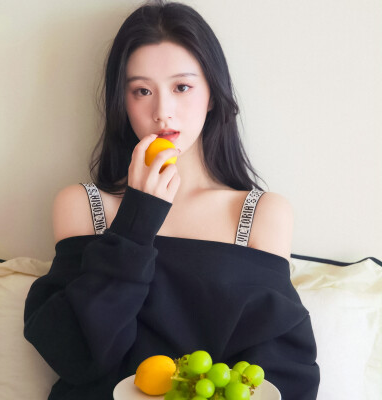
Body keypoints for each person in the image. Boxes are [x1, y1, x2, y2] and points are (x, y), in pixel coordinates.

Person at [23, 1, 320, 399]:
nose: (162, 112)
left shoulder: (260, 214)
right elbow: (77, 355)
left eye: (182, 87)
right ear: (123, 101)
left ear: (212, 94)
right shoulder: (83, 205)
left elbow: (278, 371)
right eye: (142, 91)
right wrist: (137, 218)